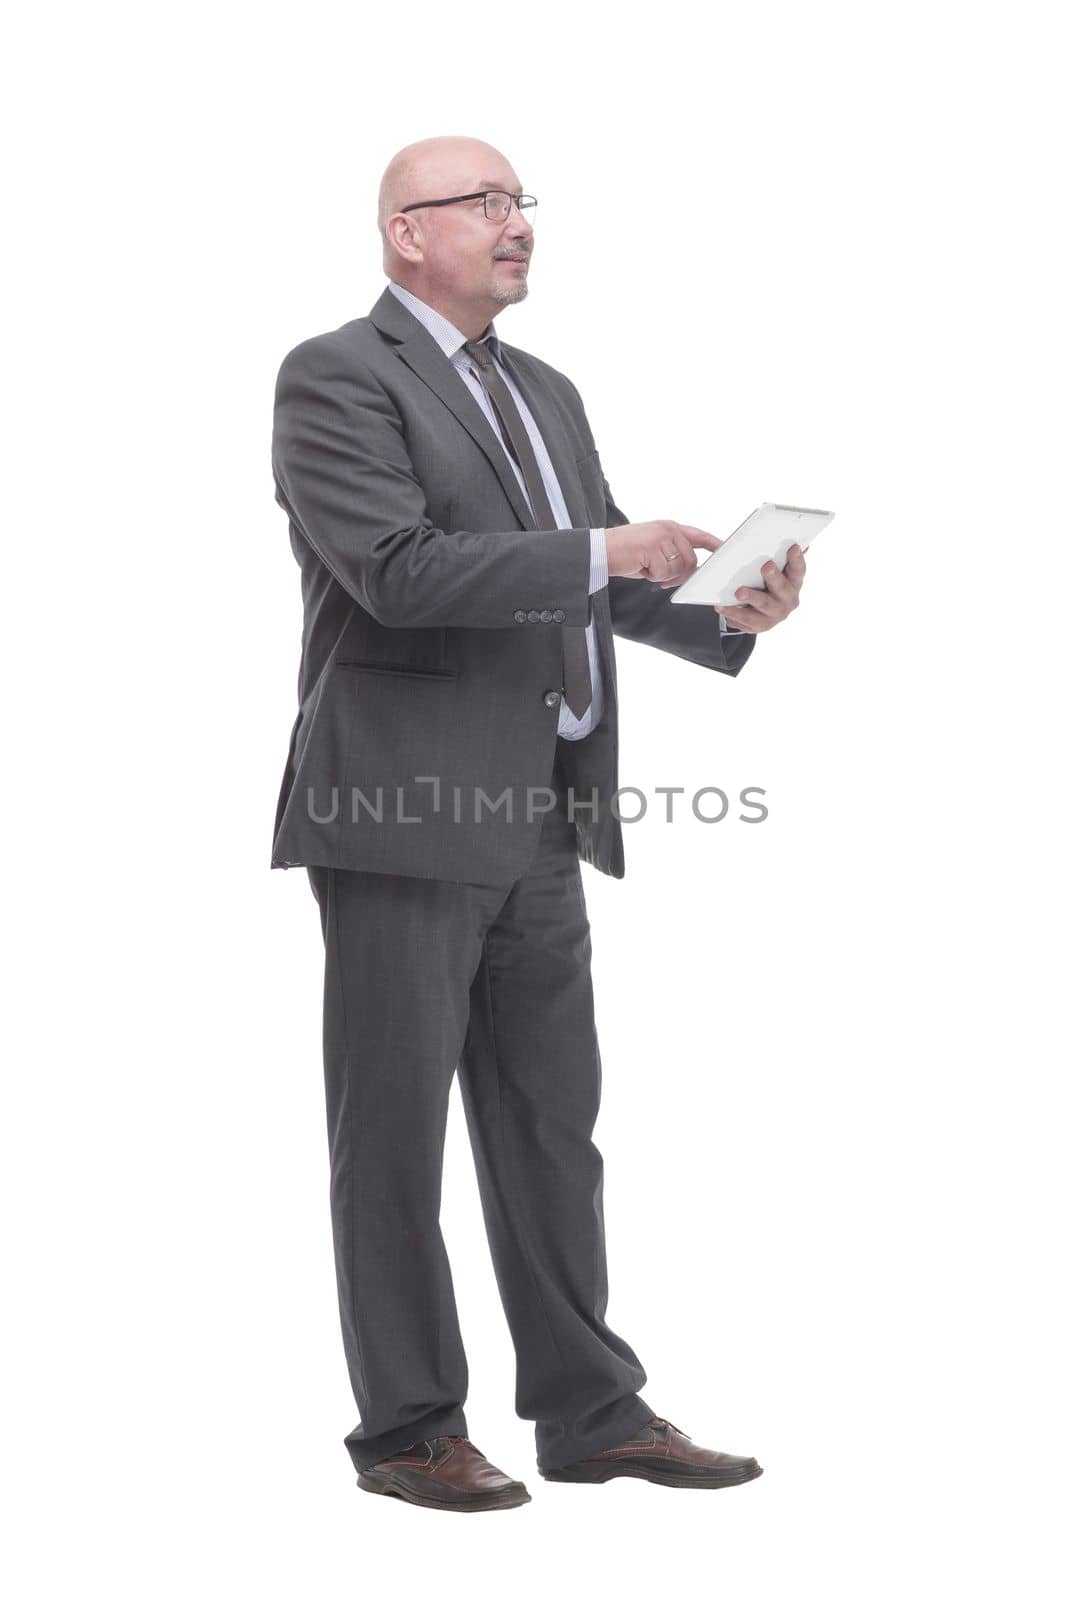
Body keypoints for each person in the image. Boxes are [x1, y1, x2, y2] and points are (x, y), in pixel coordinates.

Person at [270, 135, 805, 1513]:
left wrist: (722, 606)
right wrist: (595, 553)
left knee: (550, 1128)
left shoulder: (544, 392)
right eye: (488, 204)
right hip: (400, 809)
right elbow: (396, 571)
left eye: (524, 204)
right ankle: (407, 1429)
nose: (520, 226)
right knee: (390, 1135)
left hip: (540, 817)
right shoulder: (337, 375)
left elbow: (595, 572)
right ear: (406, 234)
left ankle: (590, 1410)